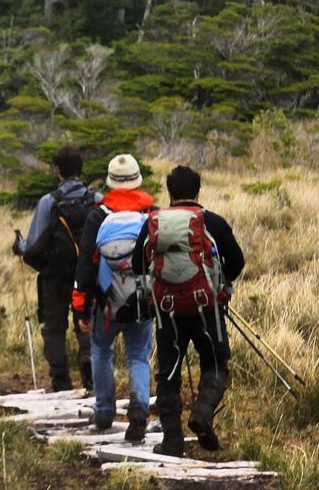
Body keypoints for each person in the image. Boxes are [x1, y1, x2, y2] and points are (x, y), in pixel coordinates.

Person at [133, 164, 245, 457]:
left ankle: (172, 441)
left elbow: (137, 265)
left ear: (170, 194)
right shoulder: (213, 223)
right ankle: (202, 413)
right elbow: (237, 261)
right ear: (197, 191)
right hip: (207, 307)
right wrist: (221, 284)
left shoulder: (152, 223)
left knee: (168, 374)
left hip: (167, 310)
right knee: (216, 364)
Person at [72, 153, 155, 441]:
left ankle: (104, 411)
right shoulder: (150, 213)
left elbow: (85, 263)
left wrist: (80, 307)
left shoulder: (98, 216)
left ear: (111, 181)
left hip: (105, 303)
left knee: (101, 351)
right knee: (138, 356)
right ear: (137, 179)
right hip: (142, 302)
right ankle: (140, 407)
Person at [12, 145, 100, 392]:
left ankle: (60, 380)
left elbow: (33, 245)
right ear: (81, 170)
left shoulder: (49, 202)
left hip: (55, 276)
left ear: (58, 171)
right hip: (88, 274)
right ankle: (88, 359)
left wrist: (19, 246)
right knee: (86, 319)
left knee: (54, 326)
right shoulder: (96, 200)